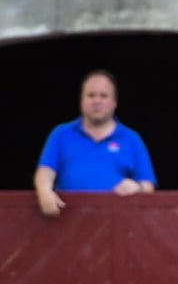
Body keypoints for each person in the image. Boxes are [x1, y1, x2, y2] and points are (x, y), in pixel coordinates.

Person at [34, 69, 157, 218]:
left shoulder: (132, 139)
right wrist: (44, 192)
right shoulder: (61, 134)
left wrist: (137, 187)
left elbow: (148, 186)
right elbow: (45, 172)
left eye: (103, 96)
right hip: (67, 225)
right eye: (91, 95)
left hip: (118, 225)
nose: (97, 101)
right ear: (81, 100)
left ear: (114, 102)